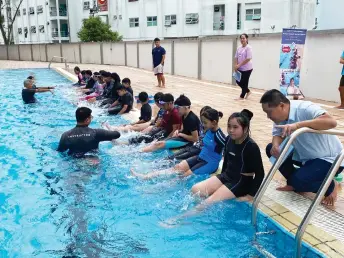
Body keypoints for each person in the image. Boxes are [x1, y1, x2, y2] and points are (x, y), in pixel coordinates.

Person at [261, 89, 343, 206]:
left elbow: (331, 122)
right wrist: (275, 145)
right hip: (305, 157)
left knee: (298, 181)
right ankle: (295, 181)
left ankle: (330, 186)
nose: (268, 117)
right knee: (271, 149)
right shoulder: (280, 118)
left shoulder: (305, 108)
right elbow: (277, 134)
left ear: (281, 106)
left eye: (269, 112)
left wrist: (298, 125)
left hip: (329, 159)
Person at [191, 109, 264, 204]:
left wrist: (251, 196)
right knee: (195, 190)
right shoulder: (229, 139)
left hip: (241, 181)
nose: (231, 130)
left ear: (245, 129)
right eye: (229, 126)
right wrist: (220, 179)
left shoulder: (250, 146)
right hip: (227, 176)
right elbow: (226, 161)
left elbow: (260, 173)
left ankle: (183, 217)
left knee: (208, 202)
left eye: (235, 127)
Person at [131, 108, 226, 179]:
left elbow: (228, 151)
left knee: (184, 176)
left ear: (214, 122)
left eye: (205, 123)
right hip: (200, 157)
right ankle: (146, 176)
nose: (202, 125)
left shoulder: (219, 136)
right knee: (177, 167)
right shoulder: (208, 130)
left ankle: (160, 188)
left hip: (210, 163)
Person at [234, 33, 253, 101]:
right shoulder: (239, 48)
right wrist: (236, 66)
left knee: (245, 82)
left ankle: (242, 97)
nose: (242, 39)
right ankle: (248, 91)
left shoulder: (248, 48)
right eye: (241, 38)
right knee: (238, 81)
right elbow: (236, 57)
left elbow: (248, 58)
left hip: (247, 68)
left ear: (246, 39)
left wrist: (239, 65)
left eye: (243, 38)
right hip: (240, 68)